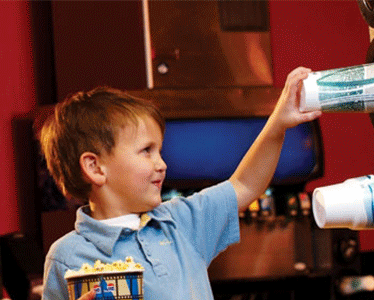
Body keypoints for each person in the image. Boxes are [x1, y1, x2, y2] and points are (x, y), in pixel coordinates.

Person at [39, 67, 320, 300]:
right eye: (146, 151)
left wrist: (278, 123)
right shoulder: (67, 257)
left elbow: (245, 185)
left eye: (159, 151)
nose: (161, 163)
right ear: (95, 167)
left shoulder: (181, 222)